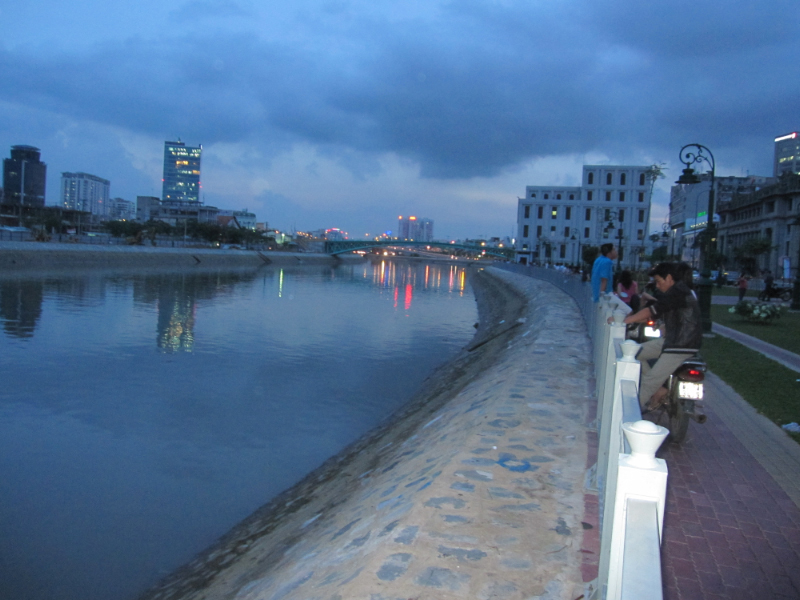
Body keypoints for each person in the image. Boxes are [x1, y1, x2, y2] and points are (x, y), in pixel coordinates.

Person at [622, 262, 702, 410]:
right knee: (634, 353)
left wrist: (625, 321)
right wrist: (629, 320)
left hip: (681, 345)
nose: (657, 286)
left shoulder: (677, 292)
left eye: (659, 281)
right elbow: (651, 314)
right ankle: (659, 390)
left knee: (649, 382)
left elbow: (651, 311)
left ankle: (627, 415)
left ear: (669, 278)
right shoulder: (677, 292)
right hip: (672, 341)